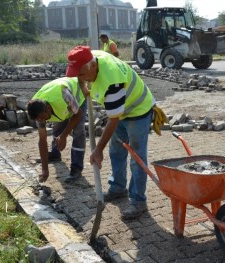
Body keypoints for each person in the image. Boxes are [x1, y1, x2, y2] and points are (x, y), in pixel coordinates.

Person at [65, 46, 166, 220]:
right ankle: (118, 187)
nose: (79, 78)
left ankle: (138, 200)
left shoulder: (112, 82)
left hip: (137, 111)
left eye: (82, 75)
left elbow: (113, 120)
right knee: (116, 150)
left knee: (137, 157)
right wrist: (82, 86)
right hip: (120, 109)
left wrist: (98, 150)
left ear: (92, 66)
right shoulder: (90, 59)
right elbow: (79, 76)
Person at [27, 77, 87, 183]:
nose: (42, 121)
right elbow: (42, 140)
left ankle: (76, 168)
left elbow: (78, 114)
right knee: (58, 127)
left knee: (78, 131)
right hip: (61, 105)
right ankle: (55, 154)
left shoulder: (63, 95)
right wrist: (44, 169)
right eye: (39, 119)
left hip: (78, 96)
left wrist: (64, 136)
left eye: (43, 118)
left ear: (48, 109)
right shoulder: (37, 109)